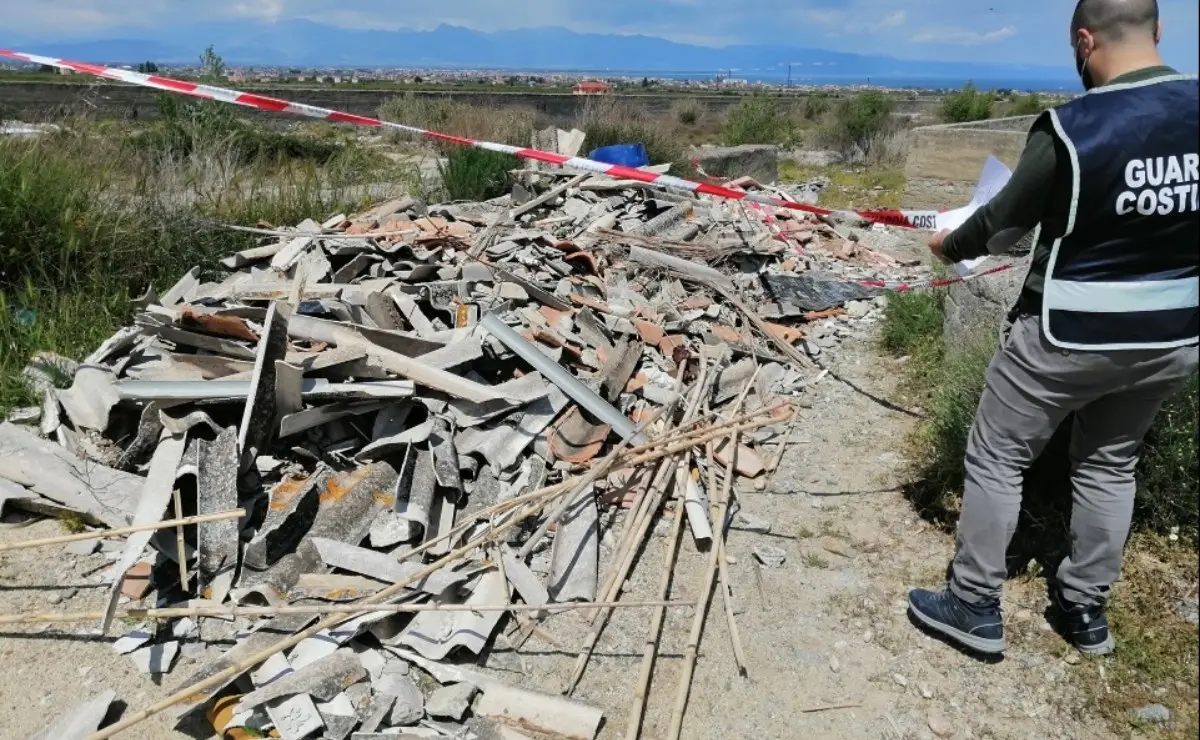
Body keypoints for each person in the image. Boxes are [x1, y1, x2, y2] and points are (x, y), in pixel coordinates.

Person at [908, 0, 1199, 657]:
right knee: (1109, 464)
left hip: (1065, 336)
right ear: (1157, 32)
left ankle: (974, 603)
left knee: (997, 455)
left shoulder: (1072, 129)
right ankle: (1083, 610)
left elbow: (1006, 225)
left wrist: (951, 244)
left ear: (1084, 40)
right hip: (1170, 336)